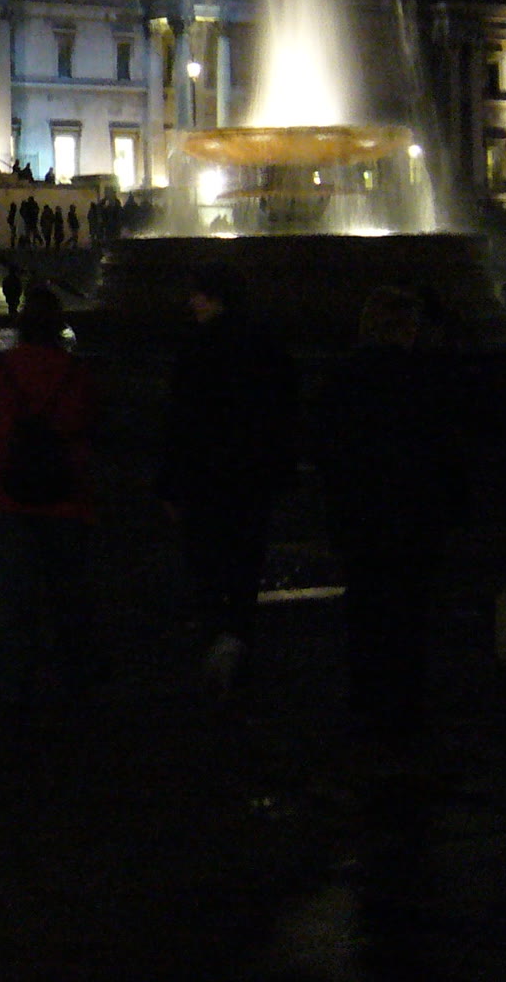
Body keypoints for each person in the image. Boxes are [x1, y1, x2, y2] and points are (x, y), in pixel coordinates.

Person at [313, 286, 466, 743]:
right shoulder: (424, 378)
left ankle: (366, 697)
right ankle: (404, 703)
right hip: (413, 516)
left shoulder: (344, 377)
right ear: (407, 328)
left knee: (364, 606)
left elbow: (327, 448)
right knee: (409, 610)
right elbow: (445, 450)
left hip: (360, 515)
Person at [159, 266, 299, 701]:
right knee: (244, 566)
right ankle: (237, 644)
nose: (192, 302)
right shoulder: (265, 344)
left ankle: (215, 643)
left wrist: (169, 484)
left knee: (205, 567)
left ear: (215, 296)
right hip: (250, 479)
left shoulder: (196, 347)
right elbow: (284, 411)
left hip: (204, 481)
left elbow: (180, 422)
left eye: (198, 295)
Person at [0, 286, 100, 704]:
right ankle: (72, 683)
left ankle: (13, 688)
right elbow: (85, 427)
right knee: (67, 597)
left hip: (9, 496)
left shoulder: (0, 370)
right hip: (66, 497)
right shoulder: (76, 372)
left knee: (14, 601)